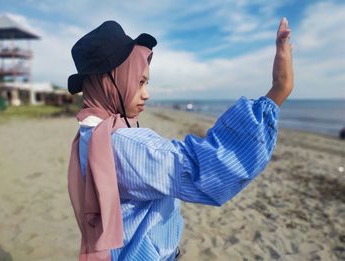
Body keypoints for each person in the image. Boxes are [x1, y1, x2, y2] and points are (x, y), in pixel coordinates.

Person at [67, 17, 293, 261]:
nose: (146, 94)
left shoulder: (90, 133)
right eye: (139, 82)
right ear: (109, 84)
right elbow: (204, 169)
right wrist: (278, 91)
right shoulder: (123, 145)